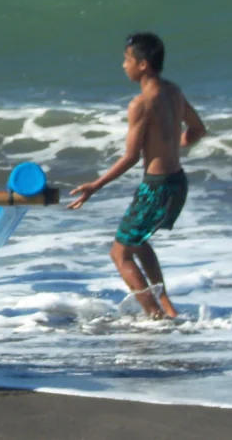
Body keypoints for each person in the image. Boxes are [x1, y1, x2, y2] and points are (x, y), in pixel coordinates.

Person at [68, 33, 206, 319]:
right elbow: (197, 129)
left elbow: (130, 157)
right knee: (139, 242)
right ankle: (166, 307)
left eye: (127, 59)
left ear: (143, 64)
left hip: (155, 188)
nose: (123, 65)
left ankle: (154, 315)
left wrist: (95, 185)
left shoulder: (141, 104)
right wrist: (174, 145)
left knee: (119, 254)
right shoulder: (174, 91)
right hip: (177, 183)